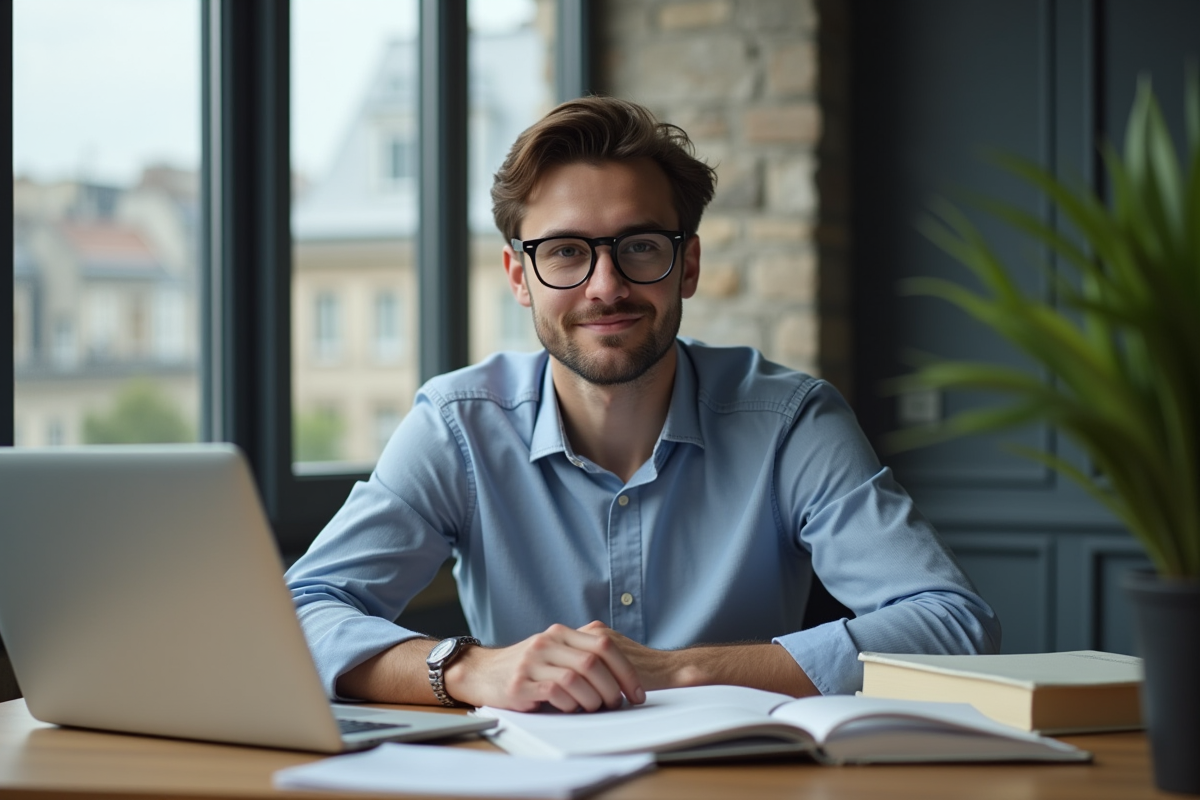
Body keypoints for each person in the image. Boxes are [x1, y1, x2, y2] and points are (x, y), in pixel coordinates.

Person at [285, 96, 999, 714]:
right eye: (565, 252)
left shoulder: (791, 422)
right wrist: (471, 669)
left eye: (639, 246)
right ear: (518, 277)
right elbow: (298, 615)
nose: (605, 286)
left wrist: (682, 671)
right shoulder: (457, 424)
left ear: (687, 265)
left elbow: (952, 626)